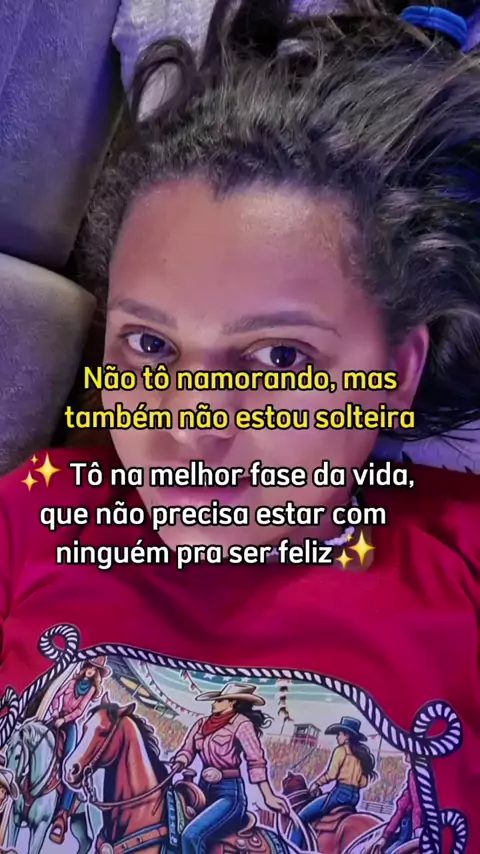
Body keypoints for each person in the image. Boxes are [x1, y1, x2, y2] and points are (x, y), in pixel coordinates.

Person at [1, 1, 480, 852]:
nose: (191, 427)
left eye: (280, 358)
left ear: (399, 371)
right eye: (151, 344)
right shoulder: (35, 517)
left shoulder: (462, 560)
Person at [173, 682, 286, 854]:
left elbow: (256, 760)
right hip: (201, 791)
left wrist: (268, 796)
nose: (214, 703)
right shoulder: (201, 723)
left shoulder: (242, 724)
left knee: (191, 835)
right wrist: (180, 760)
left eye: (219, 700)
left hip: (229, 794)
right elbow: (187, 750)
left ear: (232, 702)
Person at [46, 658, 111, 844]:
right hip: (57, 717)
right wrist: (56, 711)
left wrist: (65, 719)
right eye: (89, 667)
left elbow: (80, 710)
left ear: (96, 674)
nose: (90, 671)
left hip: (70, 724)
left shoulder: (90, 690)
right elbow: (58, 696)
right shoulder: (73, 682)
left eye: (94, 670)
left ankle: (62, 813)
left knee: (70, 764)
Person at [292, 716, 376, 848]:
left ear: (347, 735)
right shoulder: (361, 755)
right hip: (354, 797)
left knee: (300, 817)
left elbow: (331, 774)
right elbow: (363, 783)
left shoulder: (340, 750)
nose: (338, 737)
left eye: (340, 734)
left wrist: (317, 784)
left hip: (339, 794)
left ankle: (291, 849)